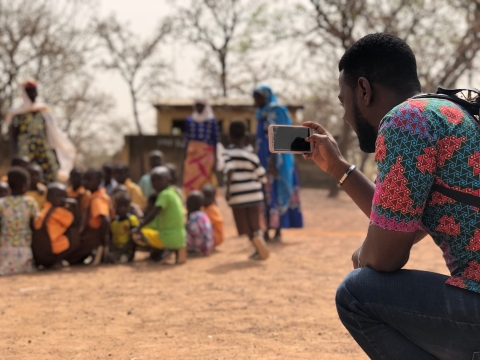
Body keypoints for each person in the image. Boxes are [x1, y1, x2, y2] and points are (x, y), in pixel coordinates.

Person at [303, 33, 480, 359]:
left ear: (364, 90)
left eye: (344, 102)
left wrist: (365, 254)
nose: (344, 117)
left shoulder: (406, 120)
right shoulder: (454, 115)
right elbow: (402, 220)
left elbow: (386, 255)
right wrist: (339, 168)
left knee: (356, 292)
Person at [253, 85, 303, 241]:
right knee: (266, 195)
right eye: (255, 97)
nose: (256, 100)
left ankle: (277, 229)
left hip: (275, 163)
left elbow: (281, 138)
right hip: (262, 162)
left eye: (258, 97)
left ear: (266, 97)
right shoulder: (261, 115)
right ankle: (267, 228)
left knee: (275, 192)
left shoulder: (276, 111)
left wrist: (274, 161)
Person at [3, 79, 75, 183]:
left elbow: (51, 133)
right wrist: (16, 154)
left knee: (50, 171)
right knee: (25, 174)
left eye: (34, 91)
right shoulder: (18, 114)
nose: (33, 94)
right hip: (25, 149)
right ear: (25, 93)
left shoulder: (43, 111)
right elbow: (13, 135)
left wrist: (54, 152)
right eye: (30, 91)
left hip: (42, 147)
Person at [223, 121, 269, 260]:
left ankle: (256, 244)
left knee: (245, 225)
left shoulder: (228, 153)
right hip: (254, 195)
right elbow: (262, 176)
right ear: (245, 136)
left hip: (238, 195)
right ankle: (259, 238)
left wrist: (228, 190)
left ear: (230, 136)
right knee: (256, 222)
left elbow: (229, 169)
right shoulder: (251, 155)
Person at [133, 166, 186, 264]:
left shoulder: (164, 194)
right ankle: (166, 251)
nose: (155, 183)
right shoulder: (175, 191)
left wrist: (139, 227)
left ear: (168, 179)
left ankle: (162, 251)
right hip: (180, 237)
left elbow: (153, 214)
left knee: (138, 234)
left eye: (159, 179)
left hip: (167, 238)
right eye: (153, 180)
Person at [65, 168, 112, 266]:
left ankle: (100, 251)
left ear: (99, 181)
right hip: (90, 236)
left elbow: (105, 220)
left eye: (89, 180)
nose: (85, 182)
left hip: (93, 237)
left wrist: (103, 239)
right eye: (84, 179)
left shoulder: (97, 199)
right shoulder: (94, 196)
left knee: (72, 259)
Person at [0, 167, 38, 275]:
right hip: (25, 250)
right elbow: (36, 223)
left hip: (4, 250)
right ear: (25, 184)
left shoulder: (2, 203)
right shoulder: (30, 202)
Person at [32, 183, 80, 268]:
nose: (63, 199)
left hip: (39, 254)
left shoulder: (43, 210)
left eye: (65, 196)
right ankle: (58, 261)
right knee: (74, 232)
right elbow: (74, 222)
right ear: (48, 198)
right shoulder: (58, 211)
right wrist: (75, 206)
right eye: (59, 196)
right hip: (50, 254)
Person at [182, 98, 220, 196]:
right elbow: (186, 139)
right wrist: (184, 158)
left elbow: (215, 141)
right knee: (189, 178)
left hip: (206, 156)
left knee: (206, 179)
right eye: (197, 106)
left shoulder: (211, 121)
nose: (198, 108)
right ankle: (191, 201)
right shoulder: (189, 120)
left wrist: (216, 159)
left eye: (201, 106)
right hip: (192, 155)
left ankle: (206, 203)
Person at [110, 192, 139, 263]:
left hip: (127, 251)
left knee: (122, 259)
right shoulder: (113, 222)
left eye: (125, 206)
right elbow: (110, 238)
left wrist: (120, 252)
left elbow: (132, 240)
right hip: (116, 250)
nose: (122, 209)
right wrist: (114, 251)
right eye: (119, 206)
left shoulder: (132, 220)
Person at [185, 191, 214, 255]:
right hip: (208, 246)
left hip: (201, 248)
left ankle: (193, 251)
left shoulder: (194, 216)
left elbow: (194, 231)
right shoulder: (203, 215)